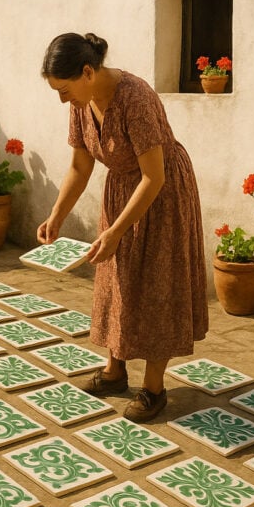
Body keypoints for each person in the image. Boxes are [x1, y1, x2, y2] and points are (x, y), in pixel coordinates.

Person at [37, 32, 208, 422]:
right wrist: (57, 216)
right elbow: (80, 166)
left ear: (86, 72)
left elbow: (154, 176)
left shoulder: (136, 97)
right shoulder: (82, 102)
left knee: (156, 286)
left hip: (161, 195)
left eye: (64, 90)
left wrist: (115, 231)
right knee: (118, 281)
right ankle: (115, 372)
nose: (63, 99)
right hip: (121, 192)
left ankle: (154, 389)